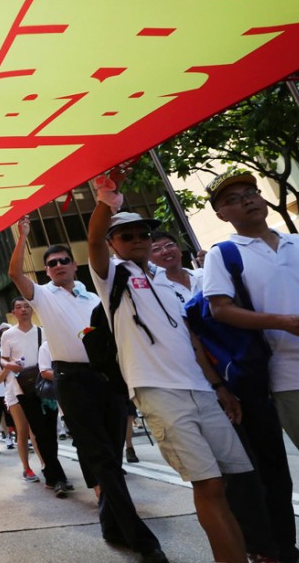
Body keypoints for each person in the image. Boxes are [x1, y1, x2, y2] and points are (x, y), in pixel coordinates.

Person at [88, 168, 252, 563]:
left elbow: (191, 342)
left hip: (202, 391)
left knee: (227, 483)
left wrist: (219, 388)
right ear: (113, 244)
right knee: (208, 485)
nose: (138, 240)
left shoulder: (166, 279)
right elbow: (92, 240)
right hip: (158, 392)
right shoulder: (112, 277)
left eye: (143, 234)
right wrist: (106, 199)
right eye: (126, 235)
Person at [9, 217, 165, 561]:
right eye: (52, 263)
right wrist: (22, 236)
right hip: (71, 381)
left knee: (112, 454)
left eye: (64, 260)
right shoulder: (42, 296)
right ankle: (142, 540)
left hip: (107, 378)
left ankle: (111, 525)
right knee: (102, 459)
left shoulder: (95, 296)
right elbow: (15, 273)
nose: (59, 266)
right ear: (46, 270)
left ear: (74, 264)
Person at [201, 170, 299, 563]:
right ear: (221, 214)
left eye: (251, 192)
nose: (247, 200)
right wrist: (282, 322)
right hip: (292, 376)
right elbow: (220, 309)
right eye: (233, 199)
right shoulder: (224, 254)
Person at [0, 297, 71, 496]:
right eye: (18, 307)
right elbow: (3, 358)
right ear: (13, 312)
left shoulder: (42, 331)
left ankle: (52, 474)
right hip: (23, 389)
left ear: (32, 310)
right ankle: (57, 477)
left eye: (27, 306)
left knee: (51, 431)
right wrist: (9, 365)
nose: (23, 309)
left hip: (46, 386)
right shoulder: (8, 335)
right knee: (39, 431)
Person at [149, 231, 203, 304]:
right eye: (156, 249)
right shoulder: (155, 291)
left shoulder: (204, 274)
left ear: (179, 249)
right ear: (148, 259)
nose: (166, 251)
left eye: (169, 245)